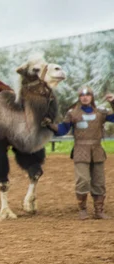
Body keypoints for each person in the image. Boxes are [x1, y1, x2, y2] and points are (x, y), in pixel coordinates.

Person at [44, 88, 114, 219]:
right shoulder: (73, 113)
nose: (85, 97)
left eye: (88, 95)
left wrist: (113, 102)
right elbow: (62, 130)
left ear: (92, 97)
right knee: (83, 180)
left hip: (97, 151)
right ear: (79, 97)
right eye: (82, 95)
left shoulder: (101, 112)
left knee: (99, 181)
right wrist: (49, 124)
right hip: (80, 151)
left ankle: (99, 211)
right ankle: (82, 210)